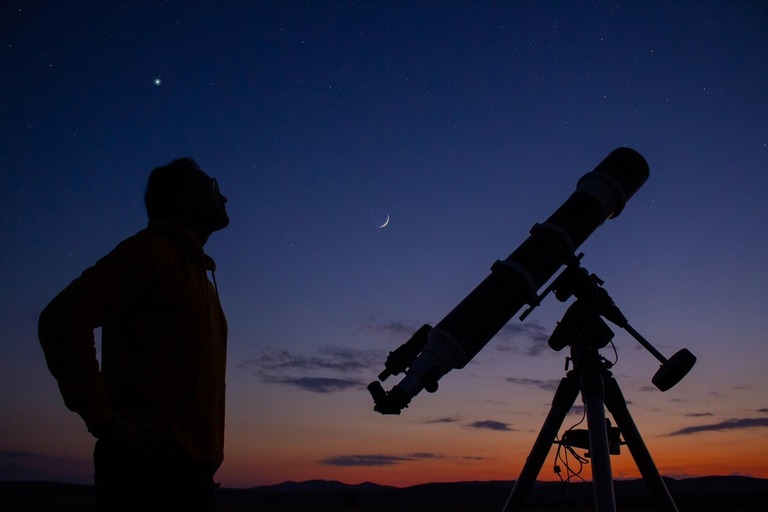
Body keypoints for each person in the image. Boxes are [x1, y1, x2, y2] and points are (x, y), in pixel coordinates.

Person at [38, 157, 229, 511]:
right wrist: (104, 419)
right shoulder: (151, 252)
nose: (224, 197)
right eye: (212, 187)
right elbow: (63, 317)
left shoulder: (201, 279)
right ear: (183, 200)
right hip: (147, 473)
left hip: (188, 474)